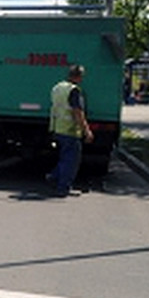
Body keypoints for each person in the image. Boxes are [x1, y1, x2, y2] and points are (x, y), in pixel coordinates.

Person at [46, 64, 93, 198]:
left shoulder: (58, 87)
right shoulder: (74, 91)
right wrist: (87, 131)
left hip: (57, 127)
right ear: (79, 76)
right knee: (71, 160)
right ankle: (63, 187)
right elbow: (78, 112)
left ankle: (54, 176)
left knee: (64, 157)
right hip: (70, 130)